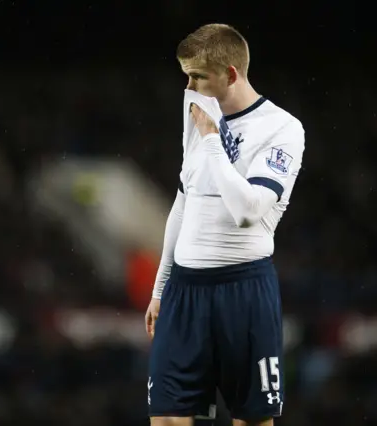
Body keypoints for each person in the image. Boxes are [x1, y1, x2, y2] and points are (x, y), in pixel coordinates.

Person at [144, 23, 305, 426]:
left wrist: (213, 140)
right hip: (184, 292)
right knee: (165, 417)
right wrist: (161, 287)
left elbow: (248, 210)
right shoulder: (199, 112)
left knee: (251, 421)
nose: (189, 84)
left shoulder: (282, 129)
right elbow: (185, 200)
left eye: (198, 75)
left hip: (243, 291)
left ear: (231, 73)